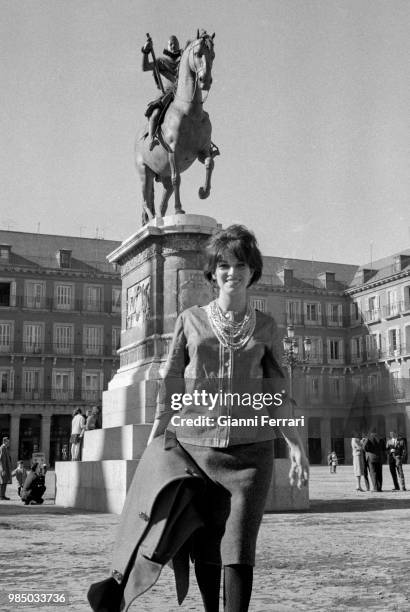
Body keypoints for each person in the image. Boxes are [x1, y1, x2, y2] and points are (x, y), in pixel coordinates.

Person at [146, 225, 309, 611]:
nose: (231, 272)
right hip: (195, 449)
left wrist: (295, 443)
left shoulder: (267, 326)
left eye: (239, 264)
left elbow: (277, 391)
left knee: (239, 545)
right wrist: (154, 441)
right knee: (204, 542)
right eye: (223, 265)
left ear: (252, 271)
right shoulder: (190, 319)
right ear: (212, 273)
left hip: (251, 455)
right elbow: (170, 383)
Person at [141, 34, 182, 150]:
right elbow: (145, 67)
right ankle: (152, 139)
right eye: (171, 44)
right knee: (155, 114)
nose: (173, 46)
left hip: (181, 96)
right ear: (168, 47)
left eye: (175, 44)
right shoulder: (161, 61)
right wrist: (146, 51)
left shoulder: (183, 62)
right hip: (165, 95)